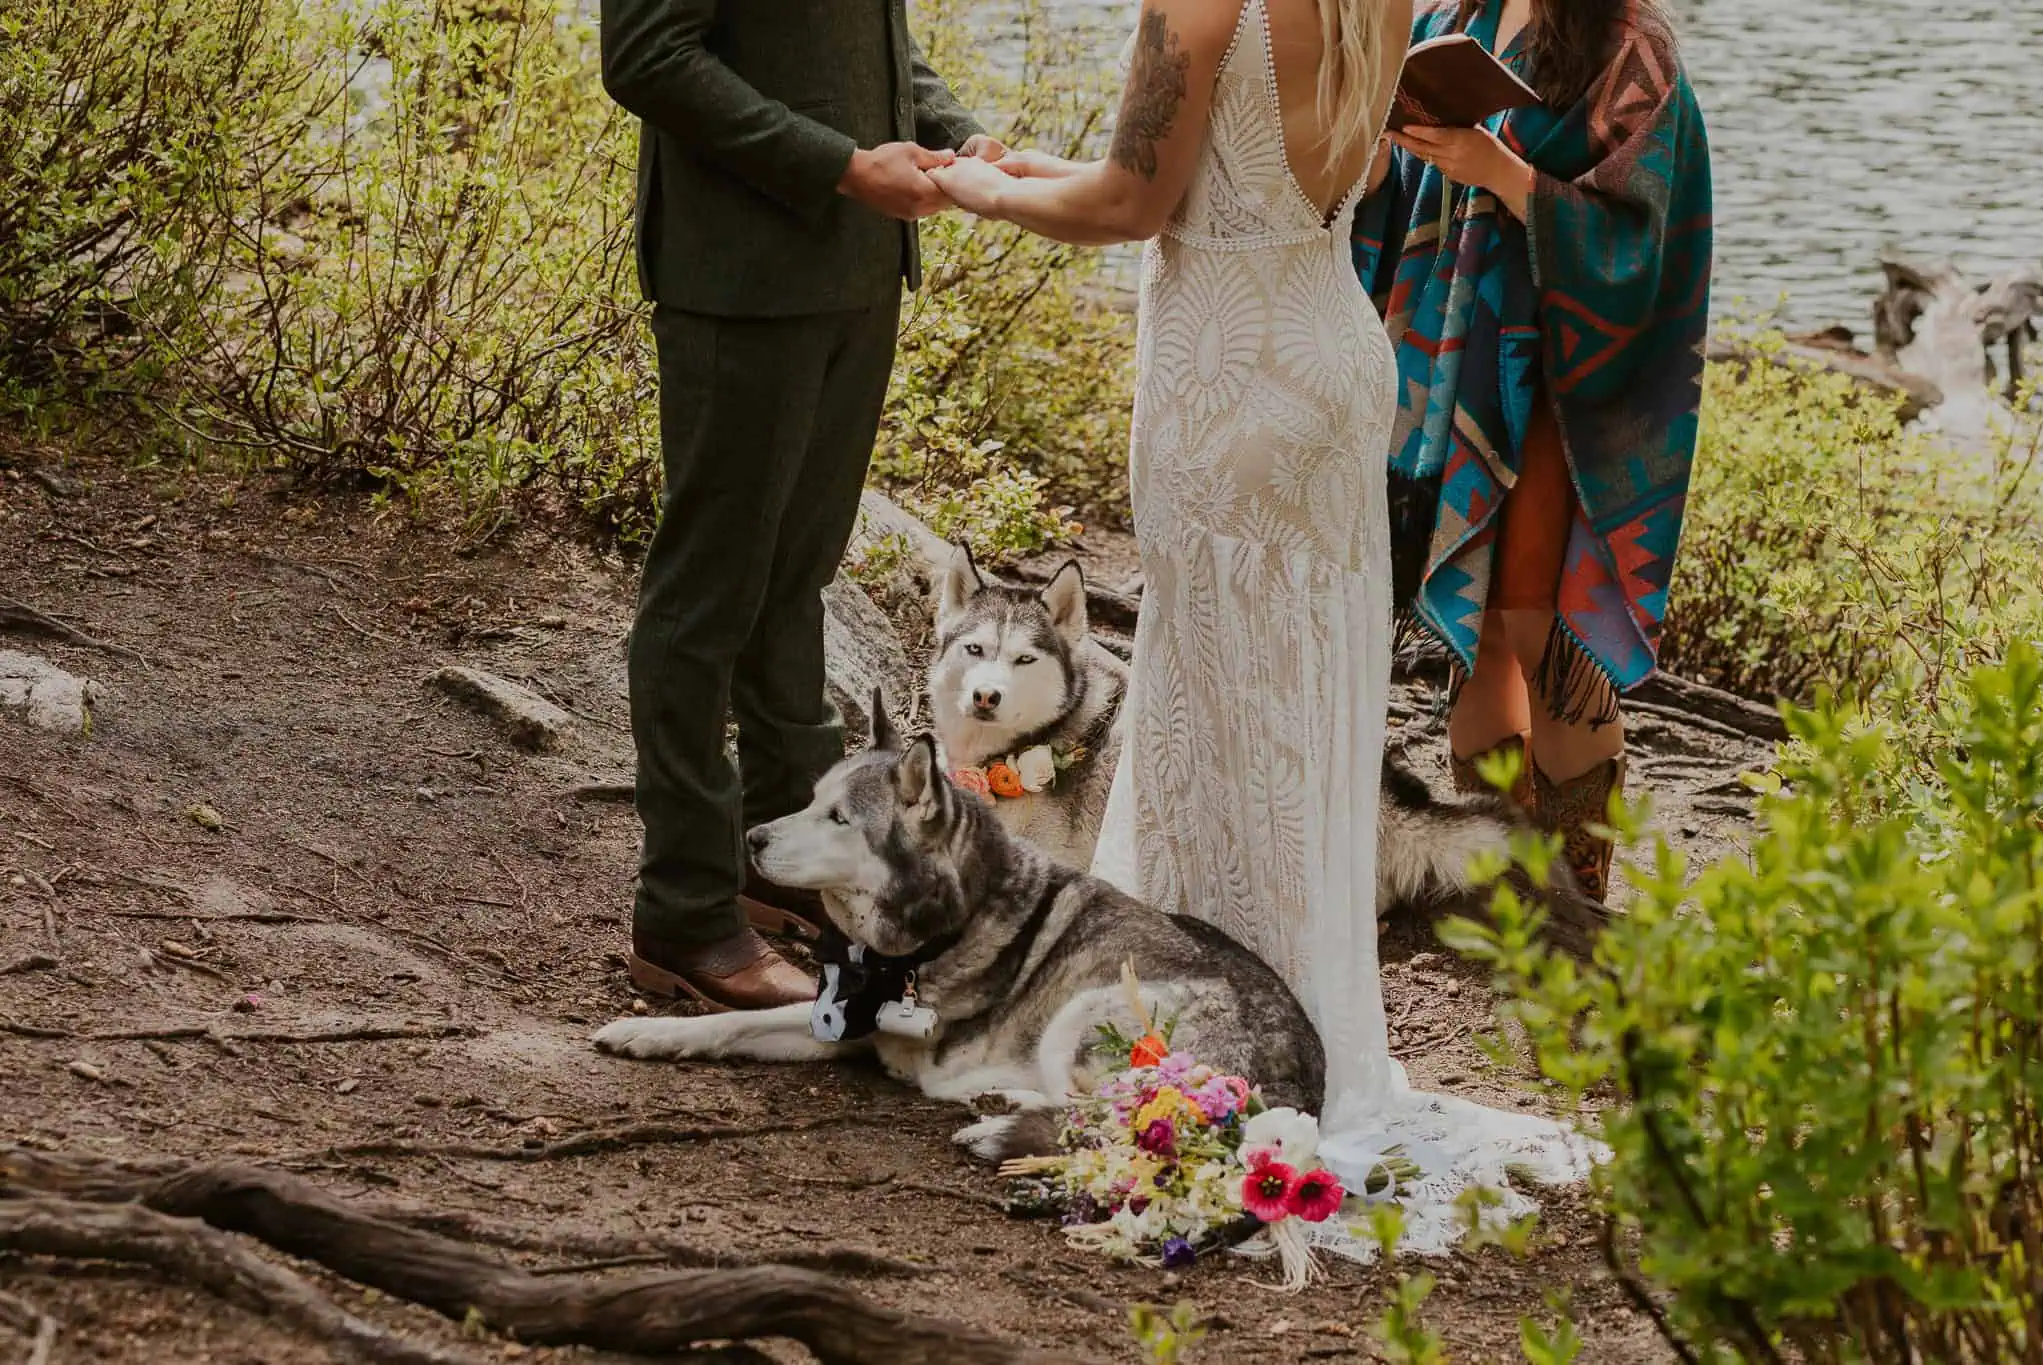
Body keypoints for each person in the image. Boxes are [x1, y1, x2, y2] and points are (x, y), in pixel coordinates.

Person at [930, 0, 1589, 1254]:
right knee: (1308, 711)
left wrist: (974, 190)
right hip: (1331, 358)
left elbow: (1136, 205)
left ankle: (1191, 1049)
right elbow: (1234, 182)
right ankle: (1311, 1049)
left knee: (1205, 714)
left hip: (1222, 380)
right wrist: (1036, 169)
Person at [599, 0, 1001, 1011]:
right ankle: (684, 913)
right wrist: (842, 163)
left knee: (792, 585)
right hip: (739, 274)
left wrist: (954, 132)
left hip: (854, 271)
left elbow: (873, 41)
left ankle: (790, 858)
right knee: (705, 601)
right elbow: (648, 57)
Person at [1357, 0, 1713, 902]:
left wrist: (1503, 172)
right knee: (1474, 633)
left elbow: (1645, 239)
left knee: (1538, 623)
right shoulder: (1452, 13)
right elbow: (1402, 190)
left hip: (1568, 378)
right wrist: (1385, 145)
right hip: (1459, 359)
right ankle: (1513, 895)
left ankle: (1578, 893)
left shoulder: (1632, 52)